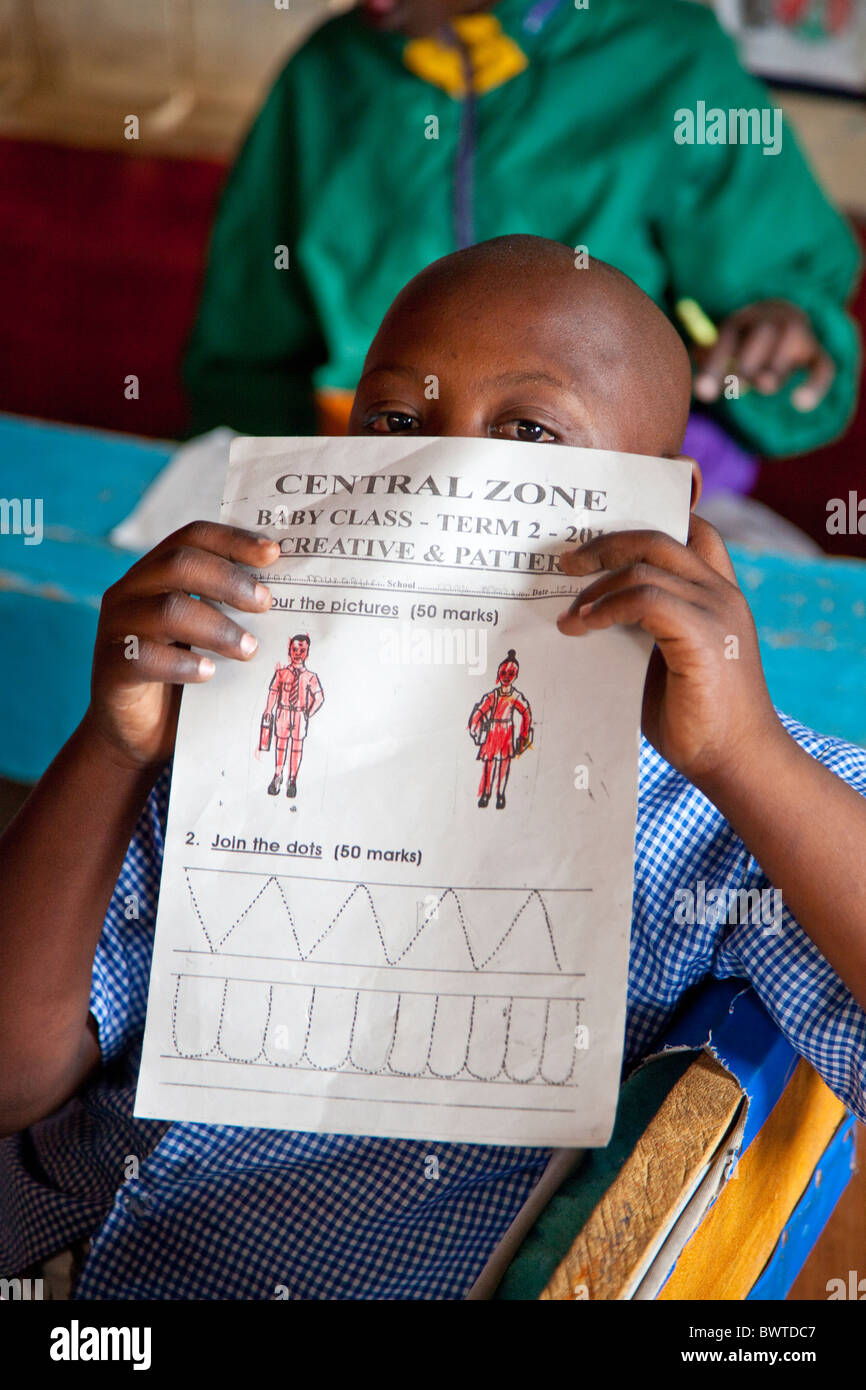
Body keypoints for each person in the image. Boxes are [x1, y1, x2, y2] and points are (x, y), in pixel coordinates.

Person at [2, 236, 865, 1301]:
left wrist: (744, 754)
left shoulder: (724, 796)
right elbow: (14, 1081)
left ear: (662, 505)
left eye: (528, 432)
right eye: (398, 424)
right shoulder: (224, 695)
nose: (439, 476)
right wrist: (111, 746)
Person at [184, 0, 861, 480]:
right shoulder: (325, 74)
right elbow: (245, 357)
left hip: (612, 489)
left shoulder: (672, 57)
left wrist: (779, 341)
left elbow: (788, 313)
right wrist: (267, 495)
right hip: (361, 484)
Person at [259, 633, 324, 797]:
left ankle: (292, 780)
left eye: (302, 650)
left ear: (307, 653)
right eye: (295, 649)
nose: (298, 653)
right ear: (290, 651)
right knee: (280, 744)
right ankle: (277, 775)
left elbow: (319, 697)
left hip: (299, 714)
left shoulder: (311, 677)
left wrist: (308, 712)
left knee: (296, 747)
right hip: (283, 712)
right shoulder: (281, 673)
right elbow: (273, 692)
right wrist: (268, 710)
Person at [468, 649, 532, 808]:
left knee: (503, 765)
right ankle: (486, 793)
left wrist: (524, 734)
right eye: (504, 672)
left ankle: (500, 794)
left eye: (510, 673)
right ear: (499, 673)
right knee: (488, 764)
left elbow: (526, 712)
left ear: (515, 676)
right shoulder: (493, 695)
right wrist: (475, 726)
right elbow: (480, 710)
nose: (506, 676)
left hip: (506, 733)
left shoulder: (515, 696)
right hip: (492, 731)